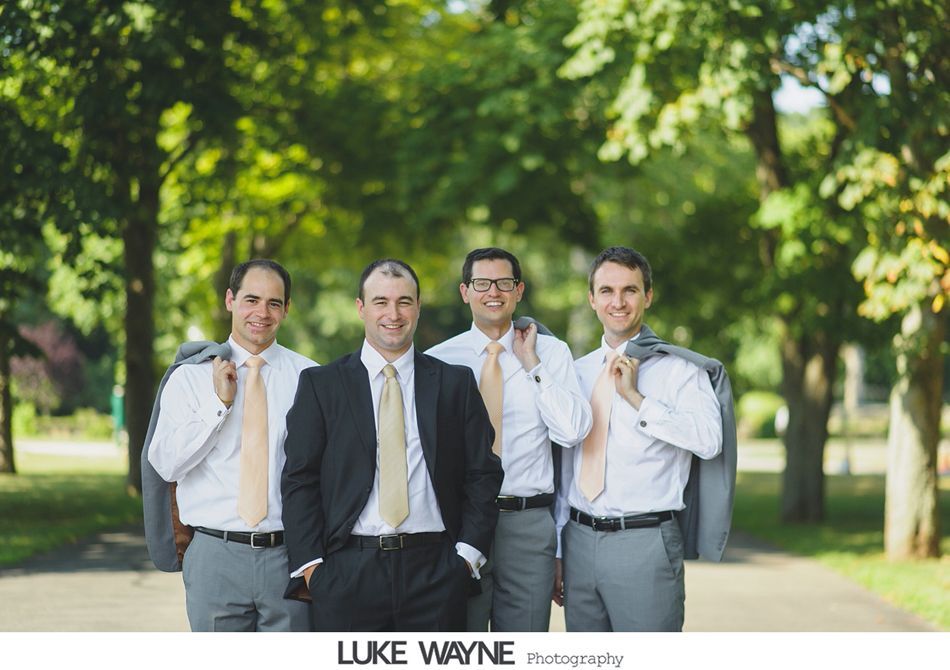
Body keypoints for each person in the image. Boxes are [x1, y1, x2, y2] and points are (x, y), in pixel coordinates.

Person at [281, 258, 503, 632]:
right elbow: (299, 479)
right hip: (346, 572)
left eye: (404, 301)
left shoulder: (454, 384)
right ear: (361, 308)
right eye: (381, 301)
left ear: (417, 307)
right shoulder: (322, 385)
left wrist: (466, 557)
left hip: (437, 571)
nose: (393, 313)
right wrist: (312, 569)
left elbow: (482, 473)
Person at [555, 246, 733, 632]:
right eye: (606, 291)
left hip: (645, 543)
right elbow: (565, 466)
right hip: (579, 542)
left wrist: (637, 399)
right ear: (592, 299)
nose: (617, 302)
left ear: (647, 296)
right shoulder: (576, 371)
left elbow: (708, 439)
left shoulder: (681, 371)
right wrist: (558, 547)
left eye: (630, 290)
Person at [426, 247, 591, 632]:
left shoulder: (552, 353)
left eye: (503, 283)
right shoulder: (436, 360)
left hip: (527, 522)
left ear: (519, 290)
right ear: (465, 291)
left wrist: (532, 364)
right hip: (459, 522)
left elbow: (571, 432)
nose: (493, 292)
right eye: (481, 283)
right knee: (458, 643)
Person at [148, 259, 317, 632]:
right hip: (214, 556)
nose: (262, 312)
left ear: (287, 309)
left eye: (274, 303)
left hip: (289, 556)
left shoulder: (311, 378)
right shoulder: (189, 379)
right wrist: (218, 405)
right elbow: (167, 465)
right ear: (230, 300)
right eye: (251, 299)